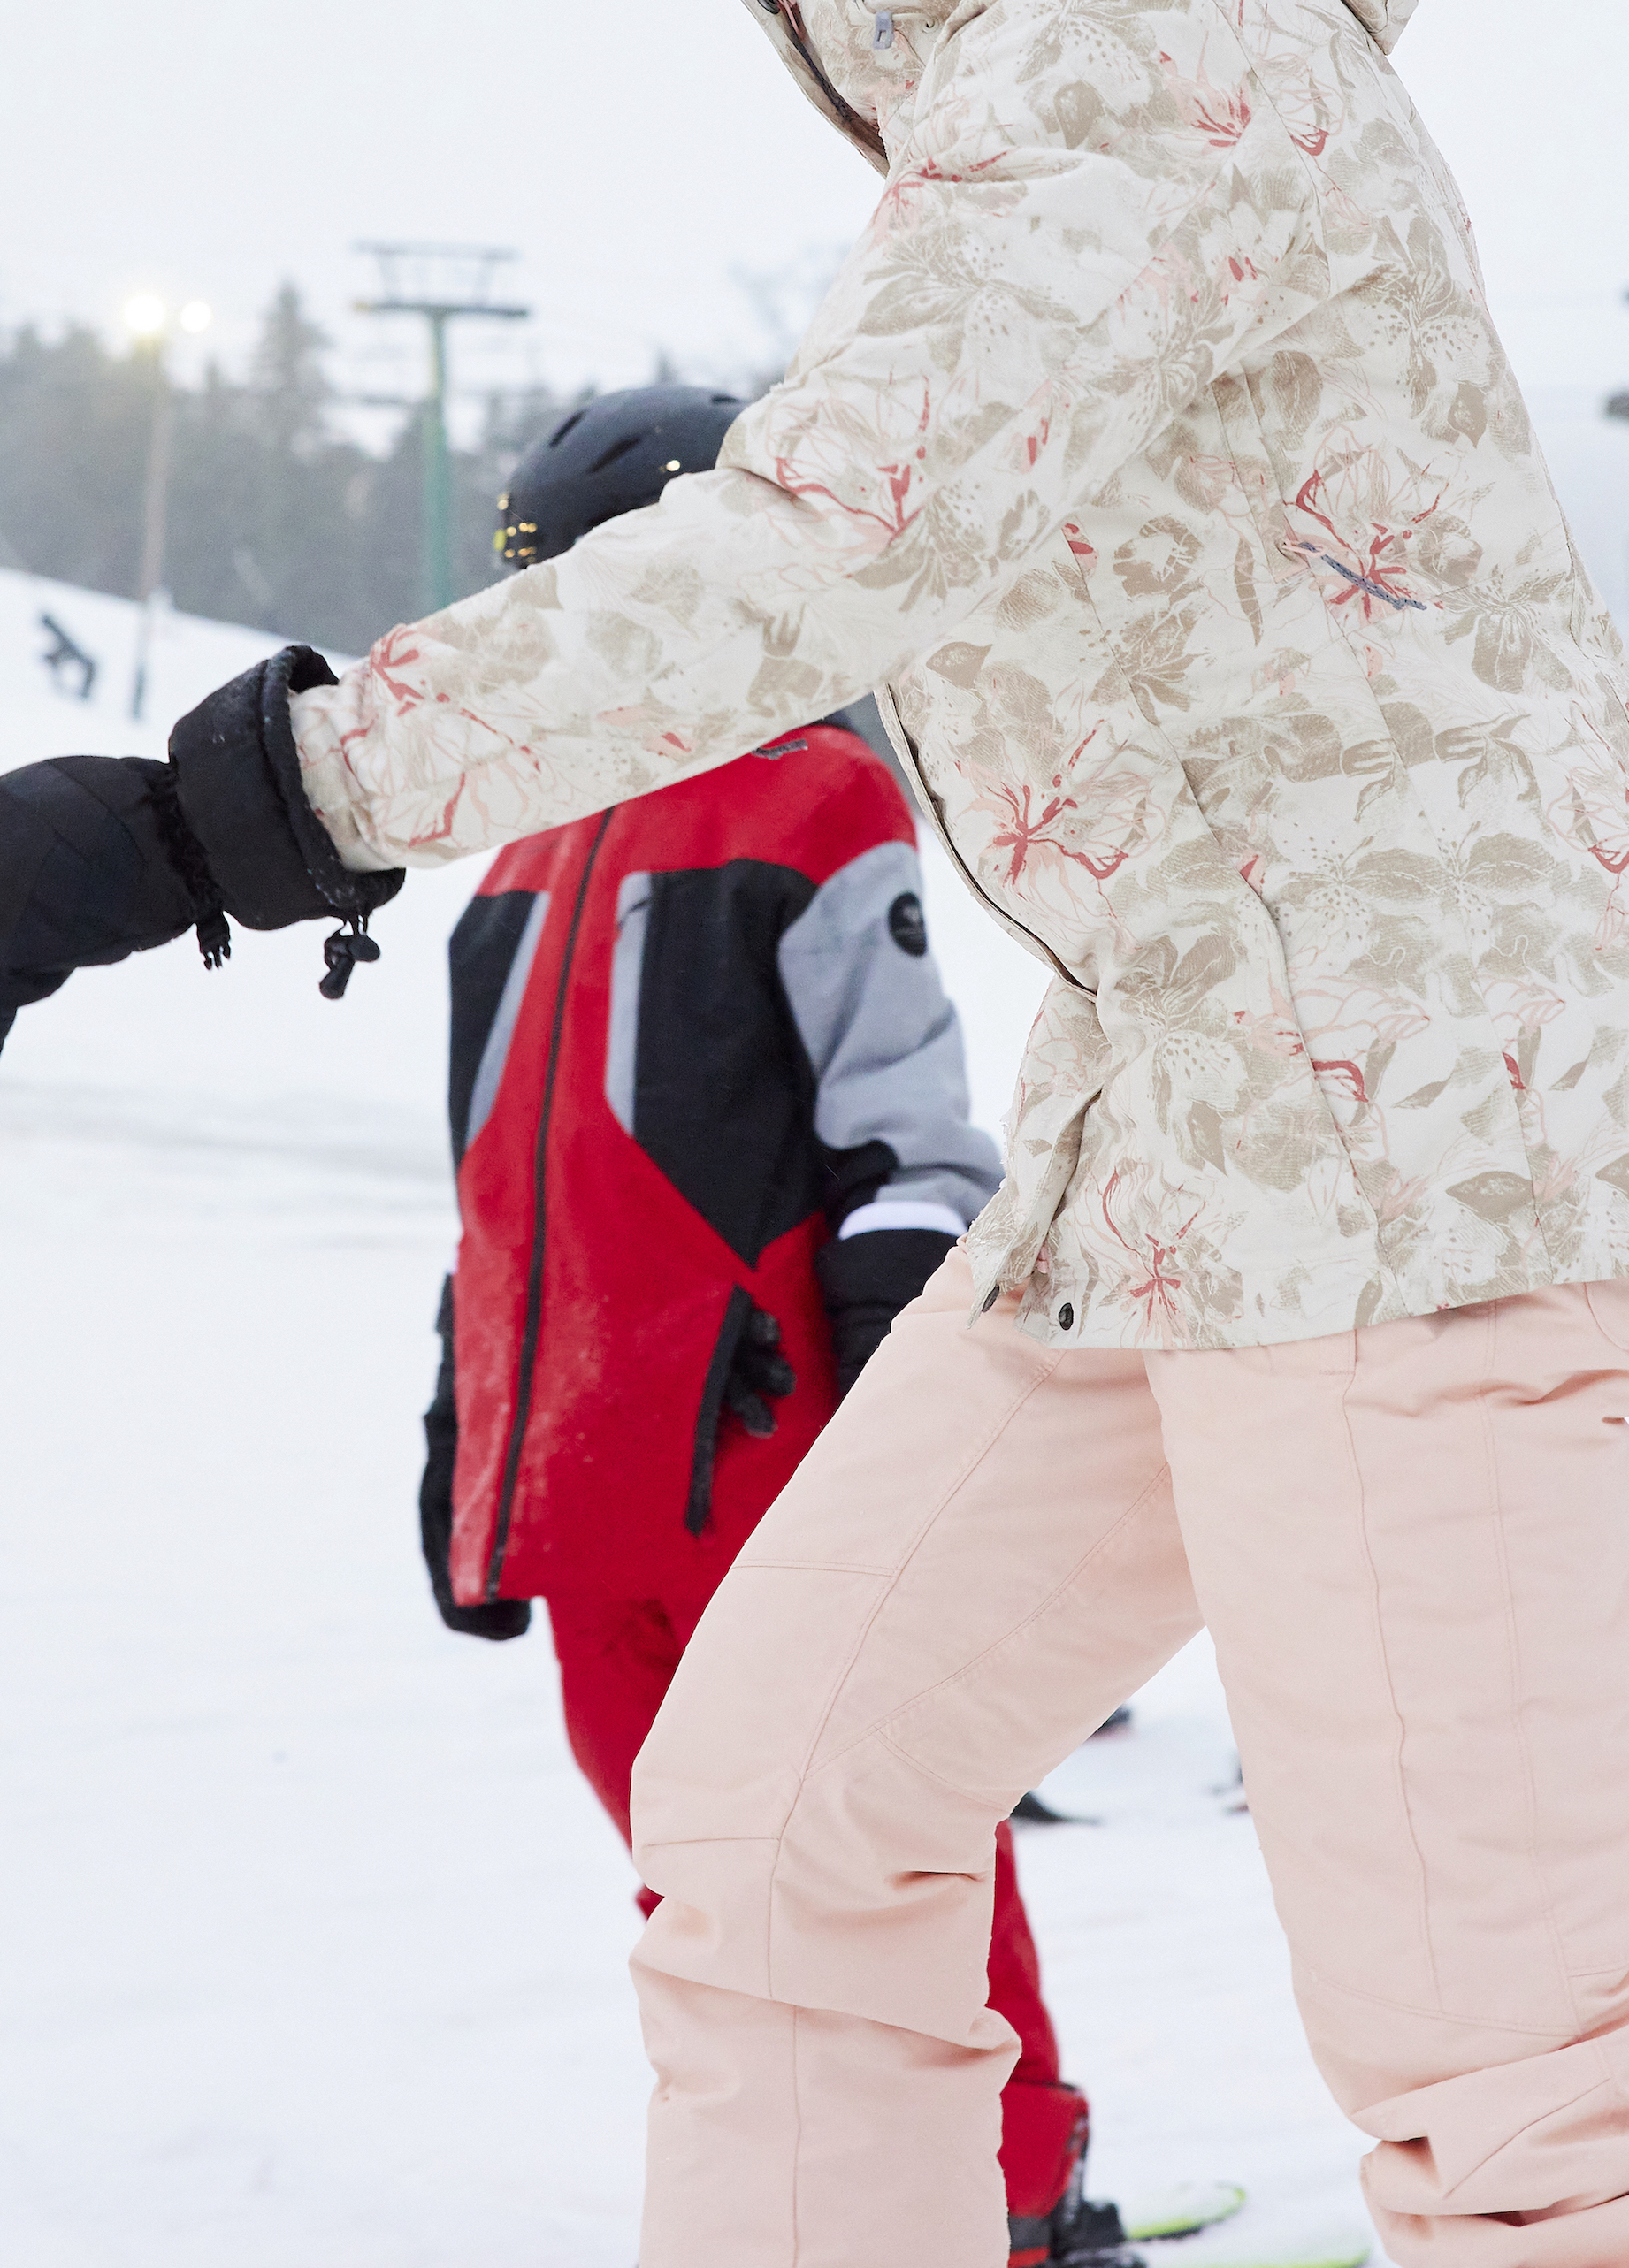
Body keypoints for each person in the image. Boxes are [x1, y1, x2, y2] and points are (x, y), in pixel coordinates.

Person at [0, 0, 1629, 2265]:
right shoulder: (1063, 42)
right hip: (1191, 1147)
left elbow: (825, 535)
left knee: (1516, 2091)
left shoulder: (1140, 29)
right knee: (785, 1826)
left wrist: (243, 802)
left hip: (1397, 1144)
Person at [423, 381, 1129, 2263]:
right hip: (575, 1478)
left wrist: (887, 1371)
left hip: (758, 1452)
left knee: (873, 1839)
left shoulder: (812, 798)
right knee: (689, 1878)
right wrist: (459, 1420)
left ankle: (1019, 2187)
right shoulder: (507, 859)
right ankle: (809, 2193)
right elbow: (497, 1192)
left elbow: (913, 1127)